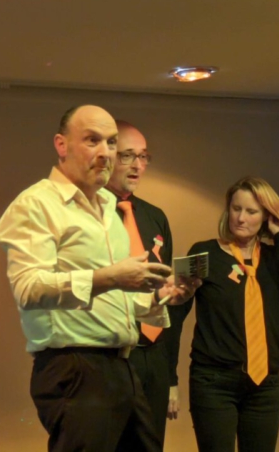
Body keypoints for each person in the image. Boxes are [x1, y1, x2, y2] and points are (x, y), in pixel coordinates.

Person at [0, 105, 194, 452]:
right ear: (61, 145)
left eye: (111, 142)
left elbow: (116, 297)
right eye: (92, 140)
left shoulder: (106, 206)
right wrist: (110, 278)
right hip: (74, 367)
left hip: (123, 365)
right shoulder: (36, 204)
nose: (105, 153)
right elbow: (28, 288)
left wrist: (159, 297)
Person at [168, 176, 279, 452]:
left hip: (264, 386)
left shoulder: (274, 258)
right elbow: (174, 315)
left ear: (266, 216)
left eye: (251, 211)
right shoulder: (202, 253)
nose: (240, 218)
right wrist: (170, 379)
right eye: (236, 208)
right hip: (214, 383)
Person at [105, 120, 182, 446]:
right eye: (128, 156)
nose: (138, 165)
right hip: (112, 355)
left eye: (143, 156)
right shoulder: (91, 216)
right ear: (107, 156)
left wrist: (171, 375)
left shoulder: (154, 216)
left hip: (154, 356)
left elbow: (167, 300)